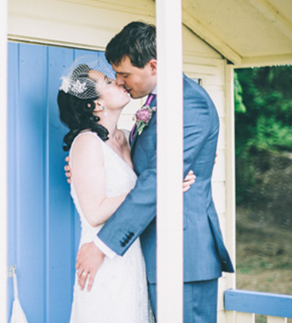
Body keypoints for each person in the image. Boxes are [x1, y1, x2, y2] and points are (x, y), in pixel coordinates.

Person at [72, 21, 234, 323]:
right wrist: (83, 169)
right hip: (151, 253)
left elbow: (158, 179)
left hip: (184, 256)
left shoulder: (189, 103)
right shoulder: (156, 103)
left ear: (153, 66)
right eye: (115, 76)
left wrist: (102, 245)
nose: (120, 82)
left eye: (124, 74)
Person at [58, 57, 196, 323]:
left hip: (132, 255)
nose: (118, 81)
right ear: (96, 104)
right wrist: (162, 188)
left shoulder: (125, 137)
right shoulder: (86, 142)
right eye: (109, 82)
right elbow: (95, 212)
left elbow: (150, 176)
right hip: (104, 260)